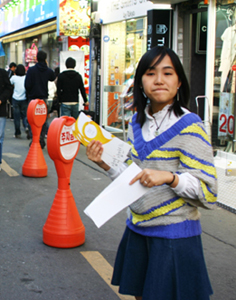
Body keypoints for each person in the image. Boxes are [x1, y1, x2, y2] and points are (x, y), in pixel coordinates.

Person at [86, 46, 217, 300]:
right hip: (137, 228)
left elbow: (208, 190)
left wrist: (171, 177)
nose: (159, 80)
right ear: (140, 82)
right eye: (150, 73)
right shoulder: (136, 123)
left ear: (179, 81)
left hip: (174, 236)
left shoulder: (190, 126)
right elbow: (133, 180)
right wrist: (105, 163)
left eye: (168, 73)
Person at [24, 50, 56, 148]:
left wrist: (30, 93)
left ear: (37, 58)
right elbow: (52, 77)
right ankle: (41, 139)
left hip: (33, 99)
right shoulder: (47, 70)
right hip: (43, 99)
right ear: (45, 59)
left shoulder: (31, 70)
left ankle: (34, 139)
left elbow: (27, 85)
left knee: (31, 119)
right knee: (43, 120)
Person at [9, 64, 28, 138]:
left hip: (15, 98)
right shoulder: (26, 77)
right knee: (24, 115)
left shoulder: (14, 78)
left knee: (16, 117)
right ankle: (26, 126)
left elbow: (9, 84)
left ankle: (18, 132)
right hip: (24, 99)